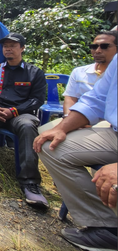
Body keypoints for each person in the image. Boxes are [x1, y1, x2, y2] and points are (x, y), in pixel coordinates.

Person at [33, 55, 117, 251]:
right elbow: (96, 99)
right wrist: (63, 127)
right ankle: (106, 227)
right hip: (114, 132)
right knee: (51, 145)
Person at [0, 33, 48, 208]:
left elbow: (37, 100)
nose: (8, 48)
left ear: (22, 48)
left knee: (28, 127)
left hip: (21, 113)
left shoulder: (34, 72)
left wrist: (13, 111)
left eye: (13, 45)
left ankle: (30, 182)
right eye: (5, 46)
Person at [39, 30, 117, 133]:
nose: (97, 50)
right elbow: (70, 98)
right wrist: (68, 117)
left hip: (107, 122)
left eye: (104, 46)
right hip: (78, 117)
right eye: (94, 46)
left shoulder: (114, 75)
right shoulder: (79, 72)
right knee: (42, 132)